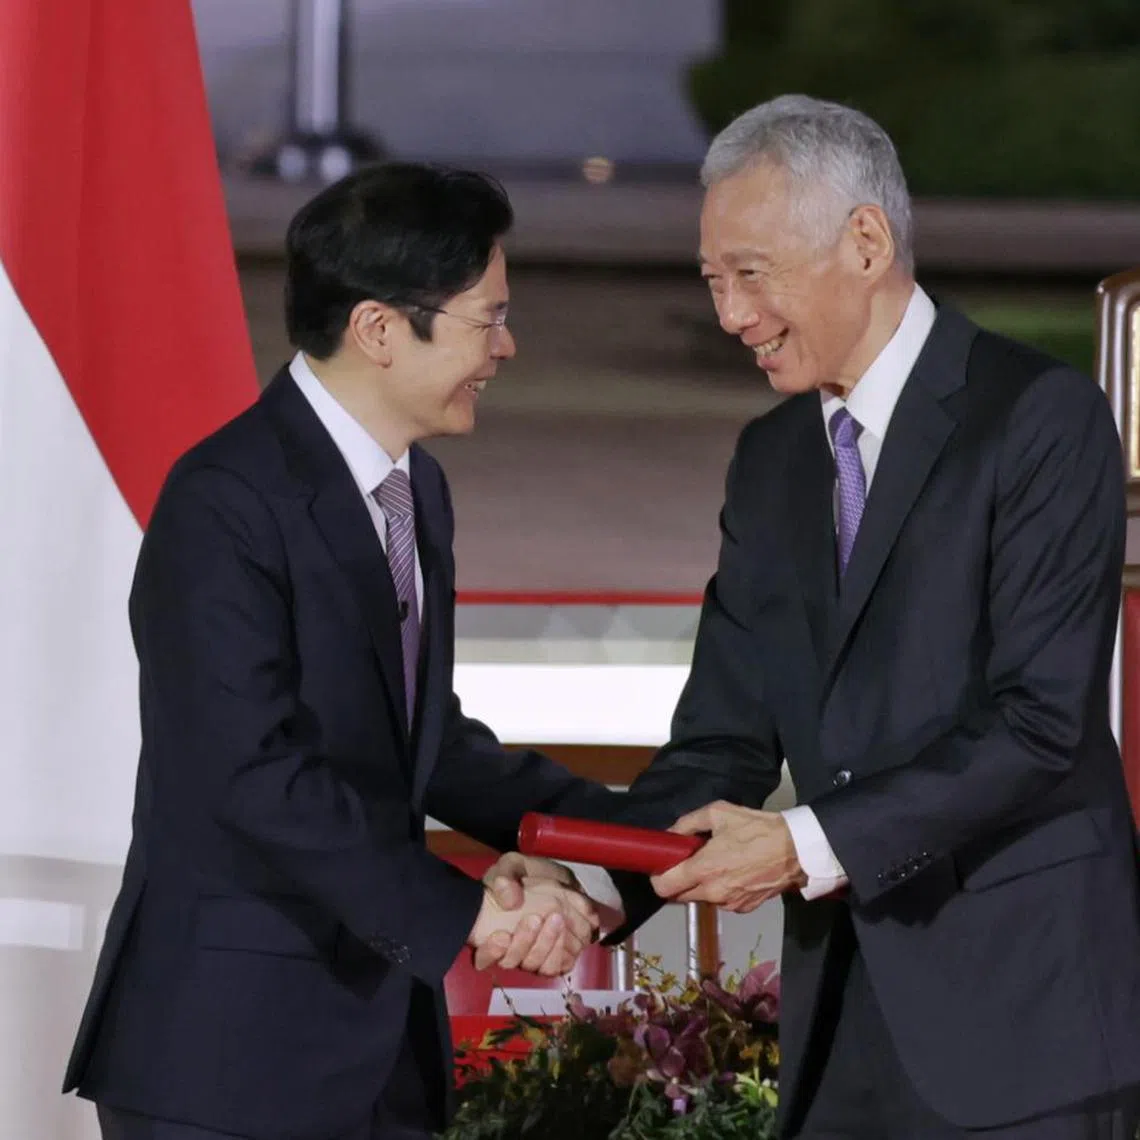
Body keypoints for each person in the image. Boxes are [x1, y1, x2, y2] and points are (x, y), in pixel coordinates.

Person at [491, 95, 1140, 1138]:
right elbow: (719, 743)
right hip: (840, 1032)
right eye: (712, 280)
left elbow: (1039, 723)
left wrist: (802, 845)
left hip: (1024, 1028)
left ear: (867, 242)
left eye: (752, 273)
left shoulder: (1038, 419)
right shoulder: (774, 459)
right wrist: (601, 884)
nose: (730, 314)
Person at [62, 163, 624, 1140]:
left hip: (375, 1061)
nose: (507, 346)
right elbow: (253, 773)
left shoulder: (418, 494)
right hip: (227, 1062)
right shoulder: (224, 501)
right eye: (485, 320)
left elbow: (428, 744)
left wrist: (627, 835)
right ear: (378, 329)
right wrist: (469, 917)